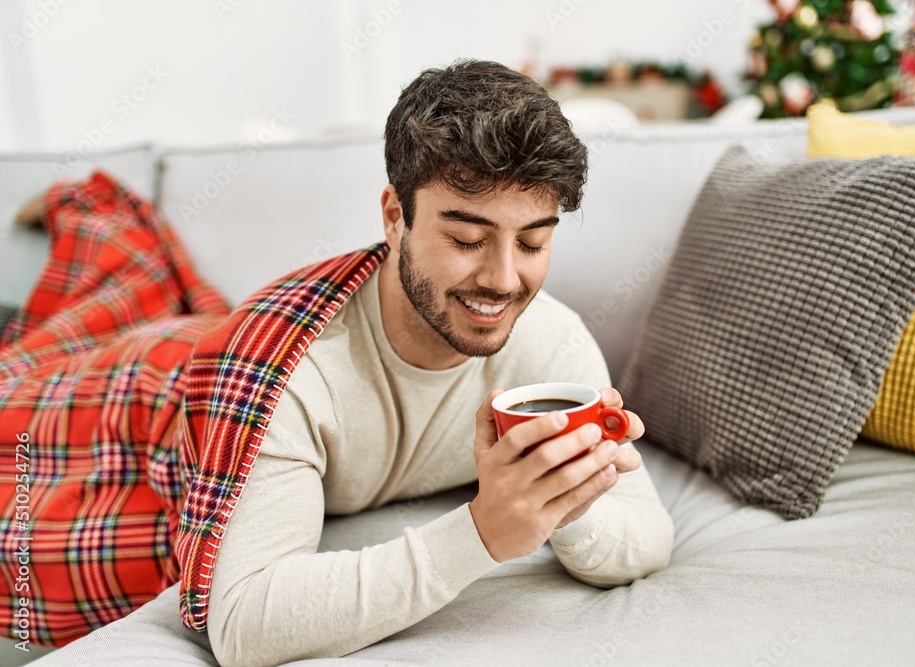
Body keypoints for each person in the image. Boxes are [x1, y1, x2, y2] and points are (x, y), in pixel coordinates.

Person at [201, 59, 673, 667]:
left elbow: (648, 531)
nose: (504, 281)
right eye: (467, 240)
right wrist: (480, 535)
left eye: (532, 242)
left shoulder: (550, 342)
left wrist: (566, 508)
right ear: (395, 217)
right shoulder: (289, 370)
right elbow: (244, 624)